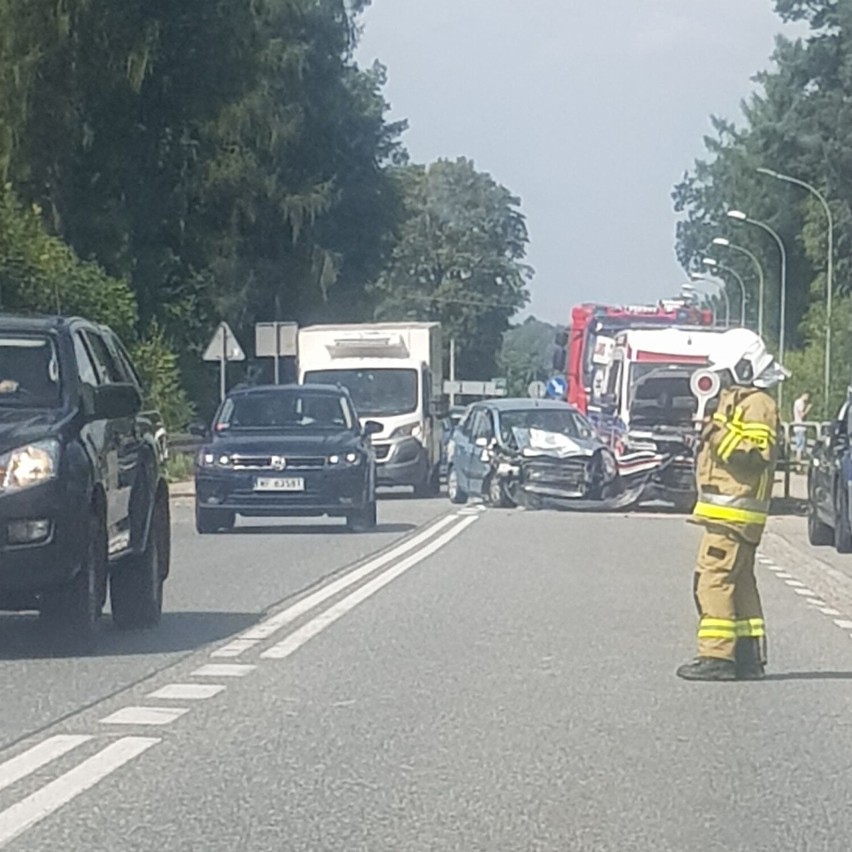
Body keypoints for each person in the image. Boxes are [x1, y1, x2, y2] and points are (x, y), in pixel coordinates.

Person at [677, 331, 788, 682]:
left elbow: (754, 455)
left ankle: (716, 656)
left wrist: (714, 435)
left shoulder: (757, 404)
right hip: (733, 513)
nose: (723, 378)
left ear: (744, 366)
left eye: (727, 371)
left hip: (734, 513)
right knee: (739, 583)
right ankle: (747, 656)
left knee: (712, 579)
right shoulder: (740, 399)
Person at [792, 391, 812, 466]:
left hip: (799, 427)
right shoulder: (800, 403)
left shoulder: (797, 402)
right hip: (800, 427)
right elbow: (802, 415)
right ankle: (798, 466)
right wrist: (808, 408)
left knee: (800, 447)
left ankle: (798, 465)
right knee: (799, 447)